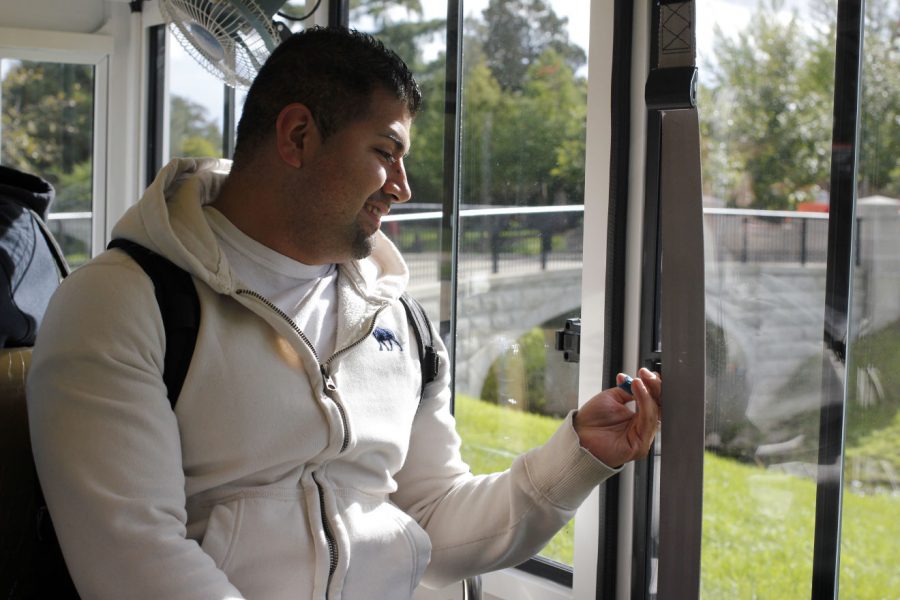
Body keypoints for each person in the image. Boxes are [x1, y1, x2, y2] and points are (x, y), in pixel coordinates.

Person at [27, 27, 661, 600]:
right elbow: (138, 563)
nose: (403, 186)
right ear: (297, 136)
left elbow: (436, 520)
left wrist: (578, 456)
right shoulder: (119, 303)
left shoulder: (403, 321)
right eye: (387, 151)